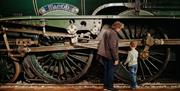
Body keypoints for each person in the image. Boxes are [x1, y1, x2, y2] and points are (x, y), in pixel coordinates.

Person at [97, 21, 124, 91]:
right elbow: (112, 47)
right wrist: (116, 58)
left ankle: (105, 86)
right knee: (110, 71)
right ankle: (110, 87)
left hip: (104, 54)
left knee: (106, 71)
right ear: (117, 27)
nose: (120, 30)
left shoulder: (107, 31)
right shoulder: (113, 34)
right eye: (120, 28)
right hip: (110, 55)